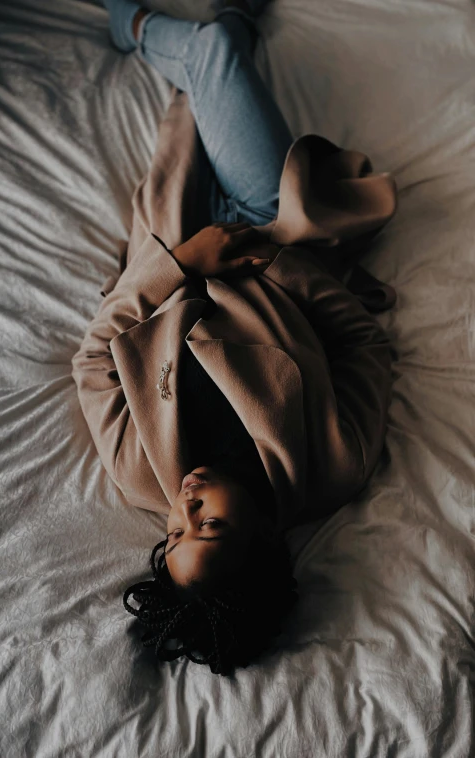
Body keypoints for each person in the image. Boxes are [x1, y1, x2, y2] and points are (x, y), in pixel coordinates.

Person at [72, 0, 398, 675]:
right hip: (267, 231)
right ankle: (195, 27)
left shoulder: (142, 473)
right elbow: (363, 345)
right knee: (215, 49)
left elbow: (95, 360)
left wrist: (182, 261)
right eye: (208, 523)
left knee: (205, 78)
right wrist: (278, 263)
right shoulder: (333, 464)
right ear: (263, 537)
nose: (185, 501)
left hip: (173, 245)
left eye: (175, 528)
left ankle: (133, 25)